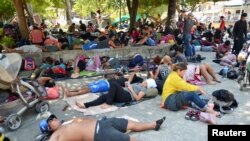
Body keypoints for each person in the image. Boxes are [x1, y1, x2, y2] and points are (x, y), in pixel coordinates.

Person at [40, 114, 165, 141]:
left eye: (53, 118)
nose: (54, 119)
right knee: (131, 140)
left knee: (132, 123)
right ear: (49, 129)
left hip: (104, 123)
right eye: (51, 121)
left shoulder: (65, 122)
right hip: (99, 133)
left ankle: (154, 124)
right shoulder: (56, 135)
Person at [76, 78, 157, 109]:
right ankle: (86, 105)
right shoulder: (139, 84)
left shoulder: (144, 90)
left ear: (148, 85)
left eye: (145, 83)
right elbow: (129, 85)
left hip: (127, 96)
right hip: (123, 92)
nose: (143, 83)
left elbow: (137, 98)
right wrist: (127, 85)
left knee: (114, 83)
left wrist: (131, 89)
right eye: (144, 81)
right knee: (104, 96)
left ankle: (109, 103)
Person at [65, 72, 143, 97]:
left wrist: (129, 82)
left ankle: (71, 94)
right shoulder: (125, 78)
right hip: (105, 81)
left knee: (90, 89)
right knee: (88, 85)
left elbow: (133, 73)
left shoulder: (129, 82)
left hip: (107, 85)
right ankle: (70, 90)